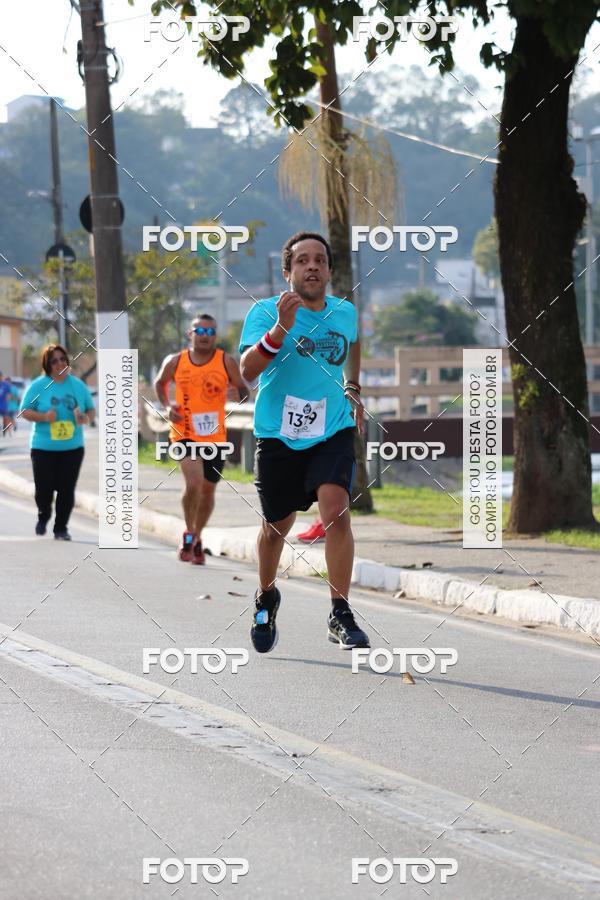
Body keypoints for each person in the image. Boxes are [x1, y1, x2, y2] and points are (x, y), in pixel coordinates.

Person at [239, 231, 370, 653]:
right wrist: (281, 328)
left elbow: (355, 343)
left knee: (337, 512)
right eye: (302, 261)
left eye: (319, 260)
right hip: (278, 434)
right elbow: (247, 369)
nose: (311, 266)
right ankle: (266, 594)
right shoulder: (265, 312)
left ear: (330, 271)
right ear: (287, 271)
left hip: (331, 429)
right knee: (276, 528)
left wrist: (352, 387)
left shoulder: (345, 312)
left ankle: (340, 611)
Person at [154, 313, 246, 565]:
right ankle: (188, 530)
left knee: (207, 491)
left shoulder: (226, 361)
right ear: (190, 334)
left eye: (210, 332)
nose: (205, 336)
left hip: (215, 437)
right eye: (200, 331)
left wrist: (236, 393)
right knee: (193, 484)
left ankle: (196, 536)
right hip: (184, 433)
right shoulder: (176, 361)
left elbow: (244, 392)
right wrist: (166, 406)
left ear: (215, 336)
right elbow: (160, 382)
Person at [19, 345, 95, 539]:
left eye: (62, 359)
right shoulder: (38, 386)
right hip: (43, 447)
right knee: (43, 488)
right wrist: (44, 417)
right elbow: (24, 411)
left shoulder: (78, 385)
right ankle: (43, 515)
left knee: (66, 489)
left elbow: (90, 411)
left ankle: (61, 528)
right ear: (47, 364)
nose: (59, 363)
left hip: (72, 448)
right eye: (54, 360)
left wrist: (84, 419)